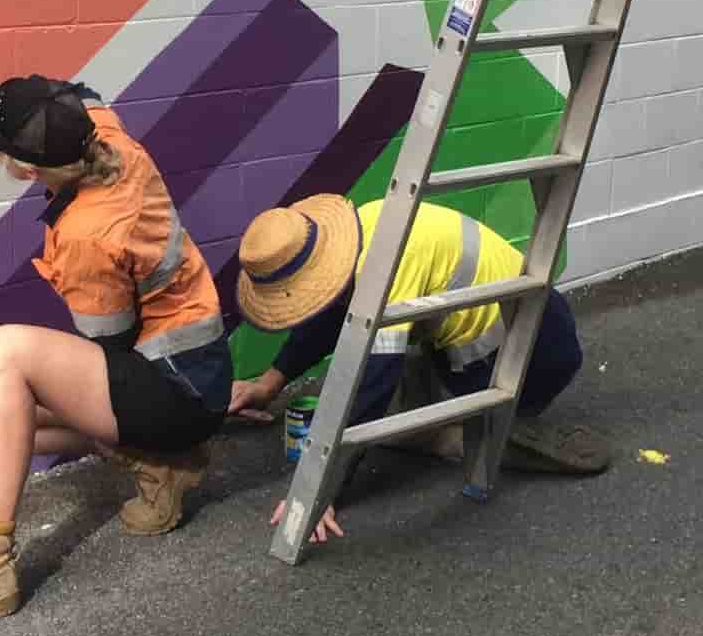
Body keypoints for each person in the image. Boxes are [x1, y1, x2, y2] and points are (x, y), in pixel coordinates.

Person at [0, 73, 232, 627]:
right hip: (194, 370)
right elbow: (78, 93)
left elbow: (107, 351)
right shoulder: (107, 139)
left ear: (28, 170)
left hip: (177, 389)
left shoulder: (89, 235)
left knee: (7, 353)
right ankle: (164, 465)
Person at [229, 193, 610, 541]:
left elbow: (373, 386)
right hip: (516, 329)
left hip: (527, 354)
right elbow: (327, 322)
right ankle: (460, 420)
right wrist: (268, 385)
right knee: (367, 401)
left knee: (401, 421)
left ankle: (485, 433)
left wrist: (317, 490)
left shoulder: (384, 270)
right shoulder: (362, 229)